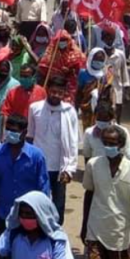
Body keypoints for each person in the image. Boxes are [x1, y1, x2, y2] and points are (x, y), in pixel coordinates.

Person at [81, 125, 130, 259]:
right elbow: (89, 194)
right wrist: (84, 225)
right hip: (96, 229)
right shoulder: (93, 164)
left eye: (112, 144)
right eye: (105, 143)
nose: (108, 147)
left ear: (121, 145)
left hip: (120, 233)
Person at [0, 115, 50, 240]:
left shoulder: (36, 156)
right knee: (1, 256)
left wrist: (43, 216)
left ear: (24, 132)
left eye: (14, 131)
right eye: (7, 129)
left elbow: (43, 188)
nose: (9, 133)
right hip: (3, 215)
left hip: (27, 218)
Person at [27, 76, 80, 225]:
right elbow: (30, 137)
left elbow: (73, 142)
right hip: (38, 165)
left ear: (64, 94)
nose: (56, 95)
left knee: (58, 206)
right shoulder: (35, 108)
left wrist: (69, 169)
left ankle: (55, 237)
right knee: (36, 202)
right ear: (47, 90)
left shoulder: (69, 112)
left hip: (59, 168)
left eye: (60, 92)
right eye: (53, 91)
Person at [37, 30, 85, 100]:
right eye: (60, 40)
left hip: (68, 86)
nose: (62, 42)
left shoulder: (75, 53)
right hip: (51, 85)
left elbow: (78, 70)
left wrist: (69, 71)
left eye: (64, 40)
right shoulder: (51, 52)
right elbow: (43, 68)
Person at [100, 25, 130, 122]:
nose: (109, 40)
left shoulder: (120, 54)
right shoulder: (99, 54)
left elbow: (124, 72)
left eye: (111, 38)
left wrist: (126, 90)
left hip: (117, 88)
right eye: (106, 38)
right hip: (102, 89)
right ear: (102, 39)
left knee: (117, 113)